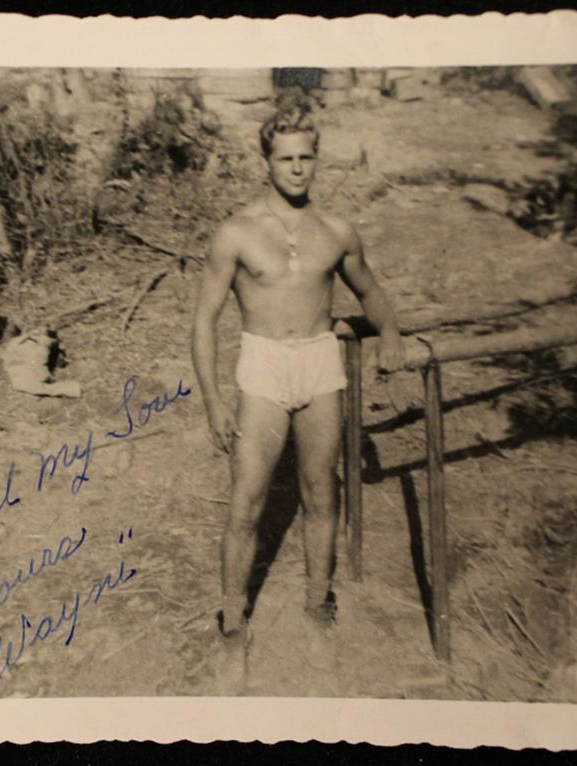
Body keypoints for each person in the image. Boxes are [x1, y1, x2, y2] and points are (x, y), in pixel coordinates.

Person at [191, 104, 407, 687]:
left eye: (305, 158)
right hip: (262, 363)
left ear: (317, 158)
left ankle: (318, 605)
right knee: (247, 502)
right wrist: (213, 400)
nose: (296, 169)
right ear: (266, 161)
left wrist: (389, 332)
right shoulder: (236, 232)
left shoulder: (336, 231)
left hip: (318, 361)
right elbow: (205, 318)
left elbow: (371, 289)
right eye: (285, 158)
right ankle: (233, 625)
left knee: (320, 490)